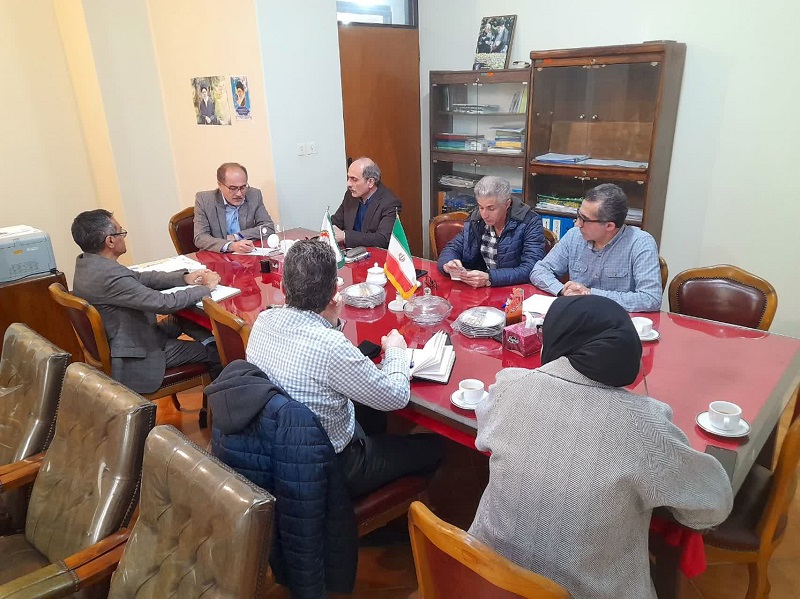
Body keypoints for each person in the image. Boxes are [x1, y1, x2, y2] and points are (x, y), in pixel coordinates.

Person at [469, 295, 733, 599]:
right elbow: (712, 506)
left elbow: (483, 433)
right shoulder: (644, 424)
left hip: (485, 580)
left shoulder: (510, 386)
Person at [246, 239, 444, 499]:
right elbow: (396, 397)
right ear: (334, 293)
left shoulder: (263, 320)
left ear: (283, 288)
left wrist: (330, 321)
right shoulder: (331, 346)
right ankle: (402, 510)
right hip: (331, 466)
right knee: (434, 446)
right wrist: (396, 350)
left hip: (280, 446)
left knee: (374, 416)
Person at [70, 209, 222, 394]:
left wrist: (184, 278)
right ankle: (221, 403)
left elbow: (140, 278)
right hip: (139, 354)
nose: (124, 237)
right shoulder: (109, 276)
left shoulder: (88, 264)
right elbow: (163, 303)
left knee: (185, 319)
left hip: (133, 334)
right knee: (220, 354)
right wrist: (205, 289)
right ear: (110, 241)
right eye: (121, 232)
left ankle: (210, 341)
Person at [530, 183, 662, 311]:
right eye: (578, 215)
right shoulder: (574, 236)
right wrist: (562, 290)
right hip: (578, 315)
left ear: (609, 226)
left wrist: (590, 295)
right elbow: (539, 271)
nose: (577, 224)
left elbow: (651, 298)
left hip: (618, 320)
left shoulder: (640, 243)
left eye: (584, 219)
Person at [437, 176, 545, 287]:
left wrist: (490, 278)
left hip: (515, 289)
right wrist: (448, 264)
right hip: (481, 290)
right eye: (481, 207)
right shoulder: (476, 219)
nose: (484, 214)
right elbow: (453, 247)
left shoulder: (529, 221)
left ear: (507, 204)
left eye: (491, 208)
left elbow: (531, 268)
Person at [194, 162, 275, 253]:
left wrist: (236, 236)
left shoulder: (254, 195)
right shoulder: (204, 200)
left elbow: (268, 227)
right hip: (217, 256)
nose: (239, 194)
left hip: (247, 254)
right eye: (233, 188)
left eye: (243, 187)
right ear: (220, 185)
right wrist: (231, 246)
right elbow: (200, 238)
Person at [331, 157, 401, 249]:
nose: (349, 184)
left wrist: (345, 236)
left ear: (370, 182)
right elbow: (336, 221)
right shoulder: (350, 195)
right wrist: (331, 227)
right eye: (349, 178)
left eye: (354, 179)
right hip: (350, 252)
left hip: (374, 254)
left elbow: (383, 239)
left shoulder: (390, 202)